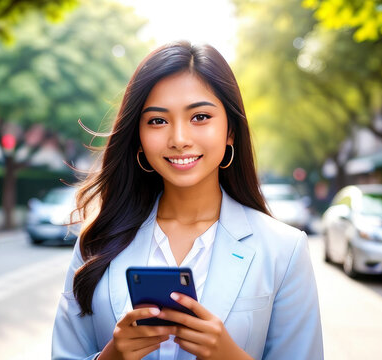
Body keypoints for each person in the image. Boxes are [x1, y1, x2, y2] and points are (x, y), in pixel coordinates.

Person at [52, 41, 323, 360]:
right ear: (138, 136)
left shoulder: (283, 250)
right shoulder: (96, 242)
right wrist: (110, 357)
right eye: (157, 120)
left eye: (200, 117)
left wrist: (231, 356)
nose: (179, 139)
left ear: (230, 132)